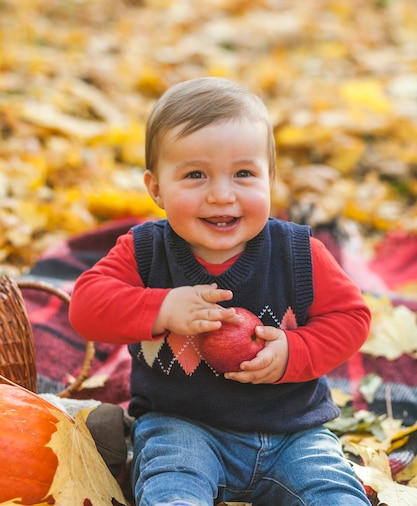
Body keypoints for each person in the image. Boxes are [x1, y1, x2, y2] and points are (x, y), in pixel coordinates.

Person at [70, 77, 372, 506]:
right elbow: (86, 306)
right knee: (170, 485)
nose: (221, 194)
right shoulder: (145, 251)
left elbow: (352, 317)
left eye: (243, 174)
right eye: (195, 175)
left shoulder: (299, 252)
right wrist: (163, 306)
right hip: (183, 426)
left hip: (292, 431)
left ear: (270, 178)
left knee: (333, 492)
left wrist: (294, 351)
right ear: (156, 188)